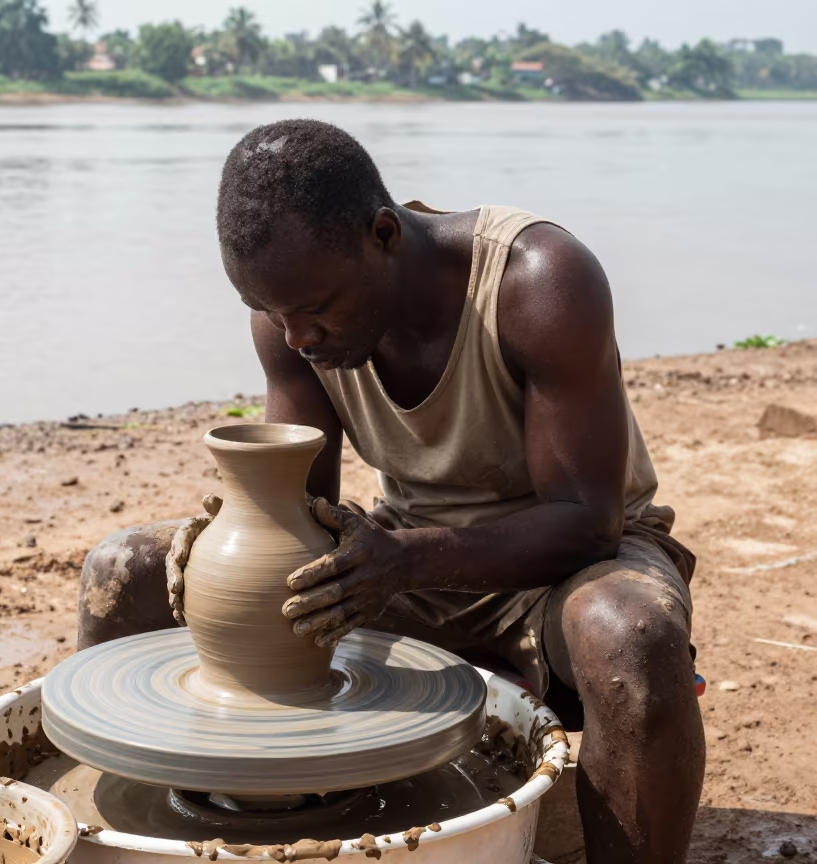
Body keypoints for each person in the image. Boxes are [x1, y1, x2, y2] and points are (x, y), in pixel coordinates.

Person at [75, 119, 704, 864]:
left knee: (629, 636)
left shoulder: (537, 282)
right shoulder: (291, 314)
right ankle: (142, 830)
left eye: (313, 309)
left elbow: (587, 522)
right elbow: (297, 504)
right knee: (124, 570)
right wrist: (230, 528)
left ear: (383, 234)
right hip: (404, 556)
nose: (297, 335)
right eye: (273, 313)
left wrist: (402, 561)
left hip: (565, 564)